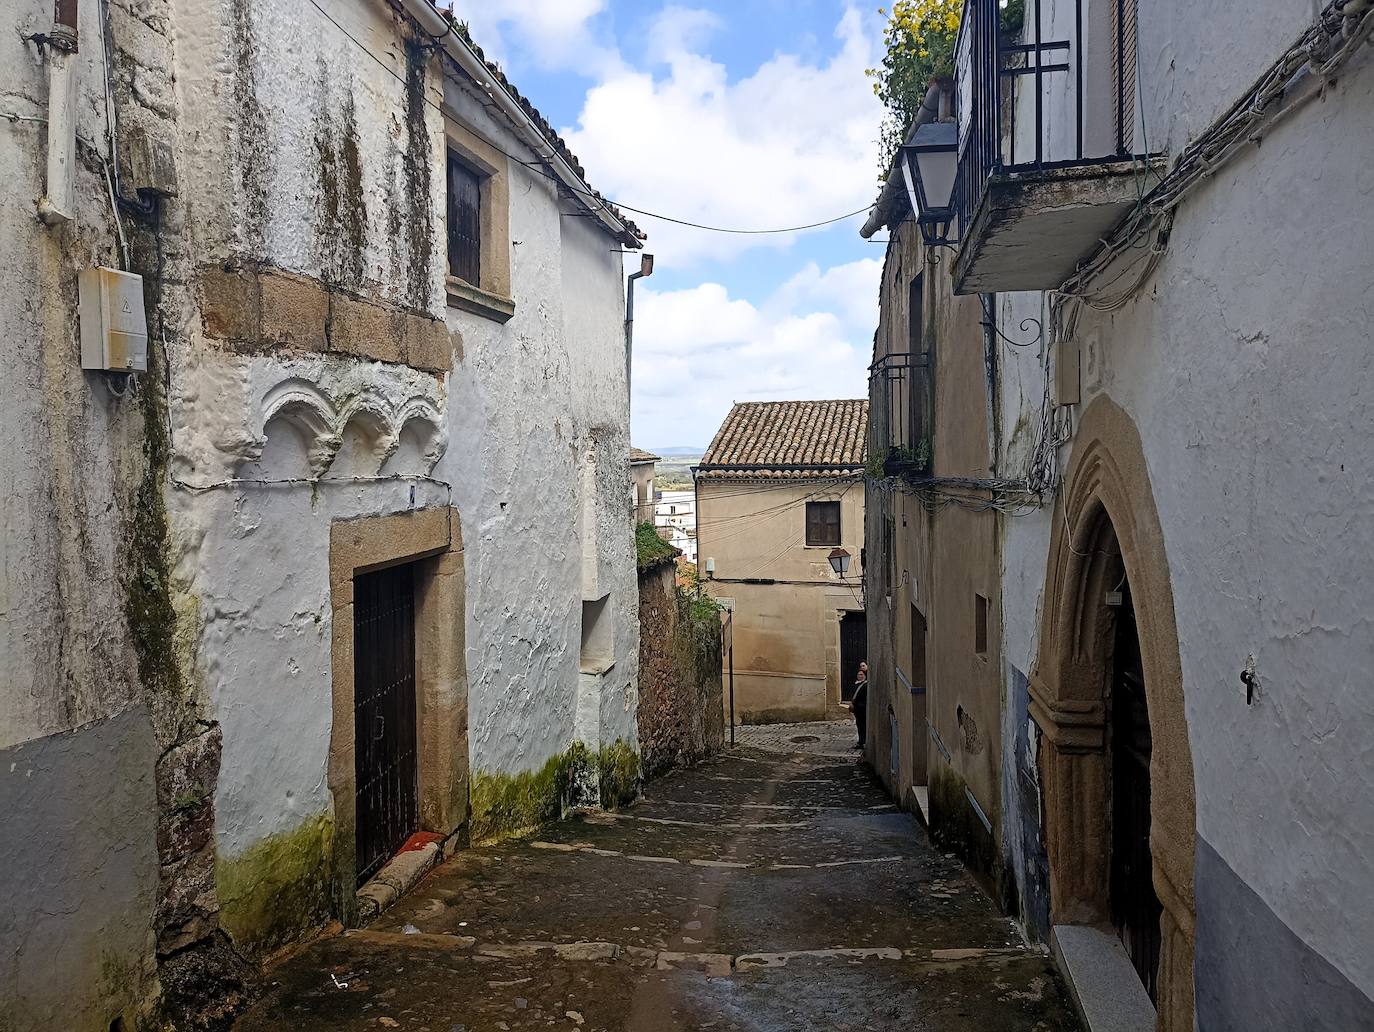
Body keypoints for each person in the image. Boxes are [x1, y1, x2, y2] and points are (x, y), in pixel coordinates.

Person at [850, 661, 868, 749]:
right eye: (859, 674)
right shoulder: (856, 684)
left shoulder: (865, 685)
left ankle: (862, 741)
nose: (860, 676)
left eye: (861, 675)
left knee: (862, 726)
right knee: (859, 725)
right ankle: (861, 741)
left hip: (862, 708)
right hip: (857, 709)